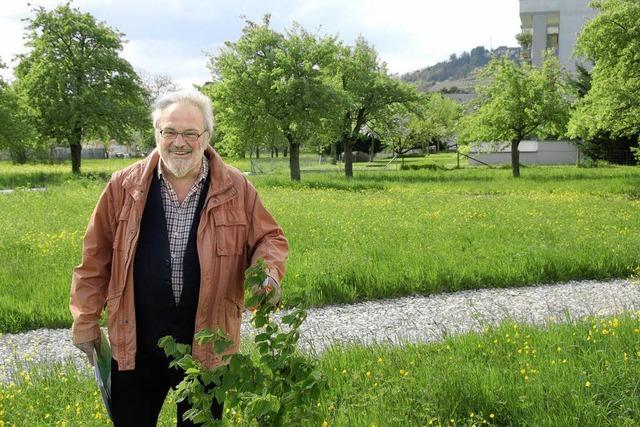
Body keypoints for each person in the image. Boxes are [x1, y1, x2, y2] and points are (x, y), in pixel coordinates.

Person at [69, 90, 288, 426]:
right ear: (156, 134)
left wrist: (267, 273)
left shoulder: (236, 187)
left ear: (207, 137)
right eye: (169, 132)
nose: (179, 142)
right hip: (135, 346)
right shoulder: (122, 186)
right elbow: (95, 257)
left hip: (208, 348)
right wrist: (85, 320)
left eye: (190, 133)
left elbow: (269, 238)